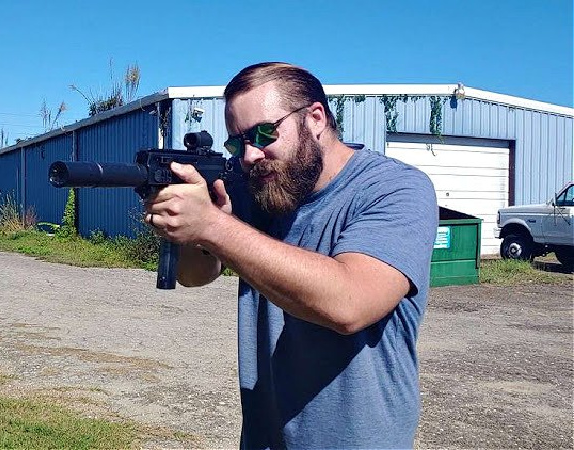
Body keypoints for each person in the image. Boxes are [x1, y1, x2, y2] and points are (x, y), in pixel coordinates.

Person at [143, 62, 438, 449]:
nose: (250, 155)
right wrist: (191, 229)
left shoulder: (395, 188)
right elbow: (195, 275)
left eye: (264, 133)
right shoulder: (258, 184)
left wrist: (213, 225)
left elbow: (350, 303)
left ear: (315, 118)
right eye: (237, 143)